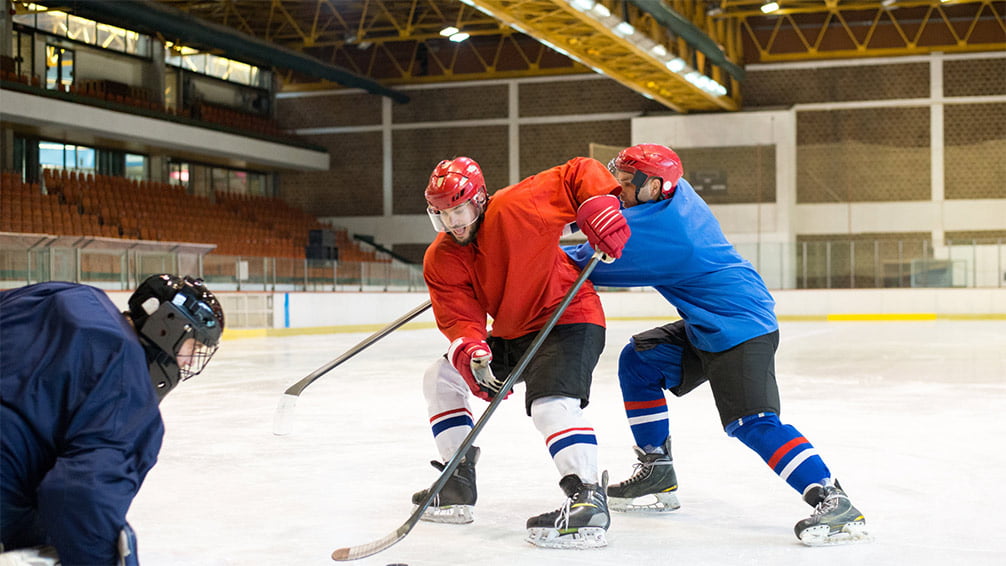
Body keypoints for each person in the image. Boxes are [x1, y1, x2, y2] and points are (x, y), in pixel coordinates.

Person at [563, 144, 870, 546]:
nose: (619, 191)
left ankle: (833, 499)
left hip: (741, 326)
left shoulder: (667, 235)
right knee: (640, 361)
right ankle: (657, 471)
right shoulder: (675, 192)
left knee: (752, 422)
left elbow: (579, 267)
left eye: (625, 183)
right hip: (708, 324)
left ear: (654, 185)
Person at [410, 155, 630, 549]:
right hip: (513, 330)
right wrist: (472, 348)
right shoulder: (441, 258)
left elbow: (577, 173)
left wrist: (598, 203)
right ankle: (457, 478)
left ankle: (588, 497)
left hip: (568, 317)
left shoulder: (517, 206)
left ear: (478, 200)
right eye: (442, 214)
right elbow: (460, 316)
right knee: (439, 377)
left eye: (459, 208)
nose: (453, 222)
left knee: (551, 405)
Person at [1, 274, 225, 565]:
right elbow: (78, 497)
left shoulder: (71, 294)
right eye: (193, 347)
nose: (188, 362)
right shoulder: (130, 389)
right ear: (168, 327)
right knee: (105, 539)